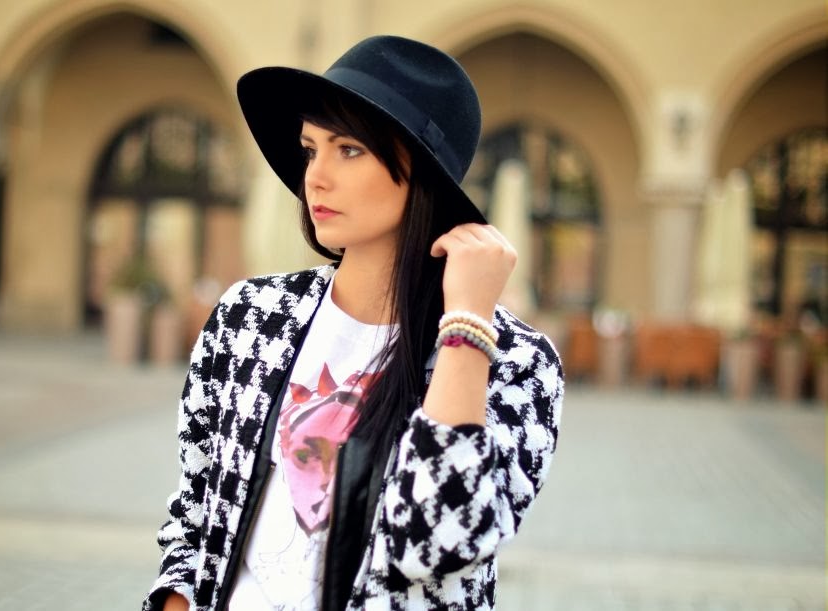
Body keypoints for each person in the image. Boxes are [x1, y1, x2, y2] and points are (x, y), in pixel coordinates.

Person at [143, 35, 564, 611]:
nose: (315, 176)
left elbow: (436, 543)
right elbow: (197, 509)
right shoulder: (250, 315)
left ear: (419, 172)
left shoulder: (518, 362)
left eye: (348, 150)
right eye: (309, 149)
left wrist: (467, 326)